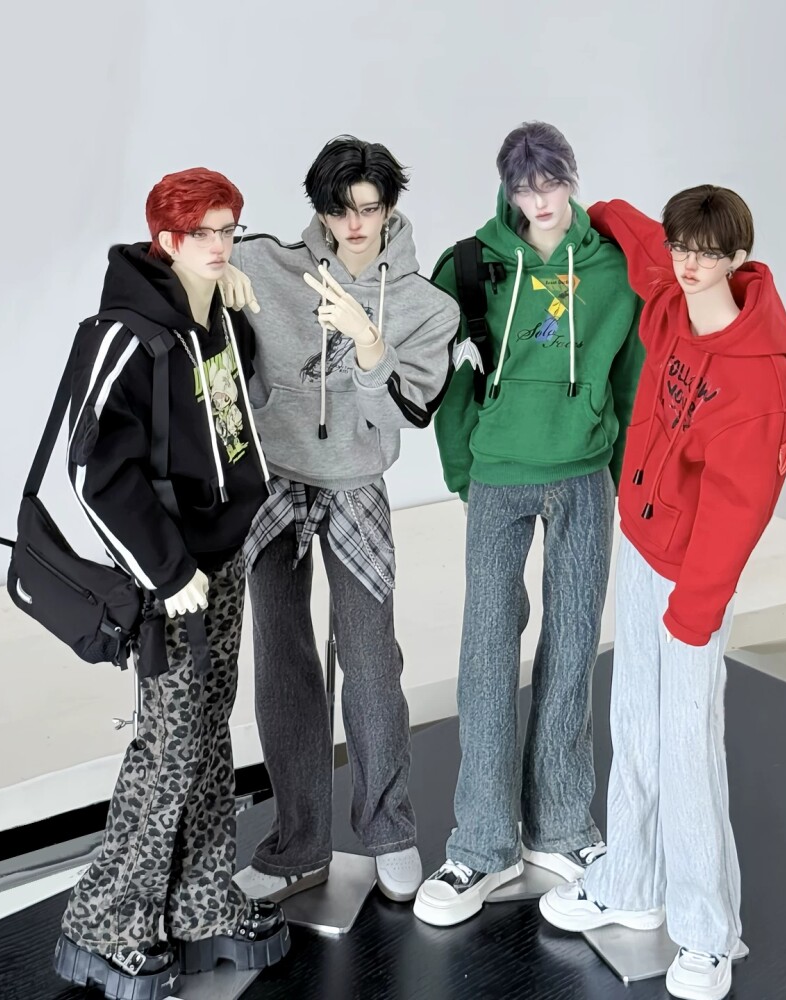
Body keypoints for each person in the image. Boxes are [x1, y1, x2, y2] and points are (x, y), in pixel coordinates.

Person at [537, 186, 786, 1000]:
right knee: (633, 726)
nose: (689, 264)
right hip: (644, 548)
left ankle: (706, 933)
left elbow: (737, 513)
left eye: (706, 253)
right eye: (684, 248)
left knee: (687, 749)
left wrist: (693, 613)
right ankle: (631, 882)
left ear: (738, 258)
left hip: (694, 583)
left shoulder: (759, 383)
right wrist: (587, 206)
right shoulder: (669, 299)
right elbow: (643, 241)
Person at [54, 167, 289, 999]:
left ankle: (199, 898)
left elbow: (224, 421)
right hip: (170, 576)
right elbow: (90, 471)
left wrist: (240, 316)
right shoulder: (124, 334)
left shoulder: (216, 315)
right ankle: (105, 922)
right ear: (167, 241)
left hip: (221, 558)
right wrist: (168, 569)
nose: (222, 246)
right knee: (169, 744)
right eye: (204, 234)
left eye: (229, 230)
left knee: (208, 732)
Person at [413, 122, 644, 927]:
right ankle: (482, 843)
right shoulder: (471, 265)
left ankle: (562, 828)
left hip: (584, 476)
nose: (539, 202)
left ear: (572, 179)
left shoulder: (613, 268)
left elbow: (629, 378)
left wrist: (620, 476)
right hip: (499, 478)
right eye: (524, 187)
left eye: (552, 184)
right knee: (485, 652)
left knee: (574, 645)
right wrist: (464, 471)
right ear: (507, 188)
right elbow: (445, 380)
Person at [221, 136, 461, 904]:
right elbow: (156, 258)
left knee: (371, 662)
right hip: (275, 484)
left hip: (357, 487)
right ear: (319, 210)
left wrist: (368, 344)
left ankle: (390, 830)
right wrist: (212, 270)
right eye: (339, 209)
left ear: (389, 207)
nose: (355, 225)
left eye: (369, 208)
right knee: (282, 664)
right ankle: (297, 845)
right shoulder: (266, 264)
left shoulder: (427, 307)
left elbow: (405, 413)